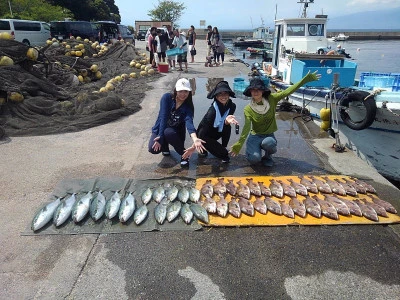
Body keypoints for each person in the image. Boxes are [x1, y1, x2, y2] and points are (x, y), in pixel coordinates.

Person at [230, 71, 321, 167]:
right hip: (255, 135)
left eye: (258, 89)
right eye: (253, 90)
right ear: (250, 92)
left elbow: (288, 91)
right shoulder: (248, 109)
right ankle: (253, 148)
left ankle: (268, 157)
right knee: (254, 159)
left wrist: (304, 80)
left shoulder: (272, 99)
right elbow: (246, 128)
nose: (256, 92)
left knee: (269, 143)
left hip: (268, 135)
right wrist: (239, 143)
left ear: (263, 91)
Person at [149, 78, 205, 167]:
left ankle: (184, 155)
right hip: (160, 128)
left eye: (186, 91)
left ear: (189, 92)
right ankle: (164, 146)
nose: (183, 94)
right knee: (153, 149)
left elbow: (189, 123)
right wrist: (160, 137)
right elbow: (163, 118)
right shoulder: (167, 98)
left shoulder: (188, 107)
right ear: (176, 90)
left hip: (175, 132)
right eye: (180, 91)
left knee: (168, 132)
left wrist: (195, 139)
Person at [183, 81, 238, 163]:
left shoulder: (232, 106)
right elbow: (202, 131)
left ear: (229, 95)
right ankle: (202, 148)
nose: (223, 96)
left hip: (217, 130)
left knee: (227, 125)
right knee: (224, 154)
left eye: (225, 93)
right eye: (220, 94)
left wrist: (226, 122)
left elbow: (225, 126)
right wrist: (194, 145)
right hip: (204, 134)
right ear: (216, 96)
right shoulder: (212, 111)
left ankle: (223, 146)